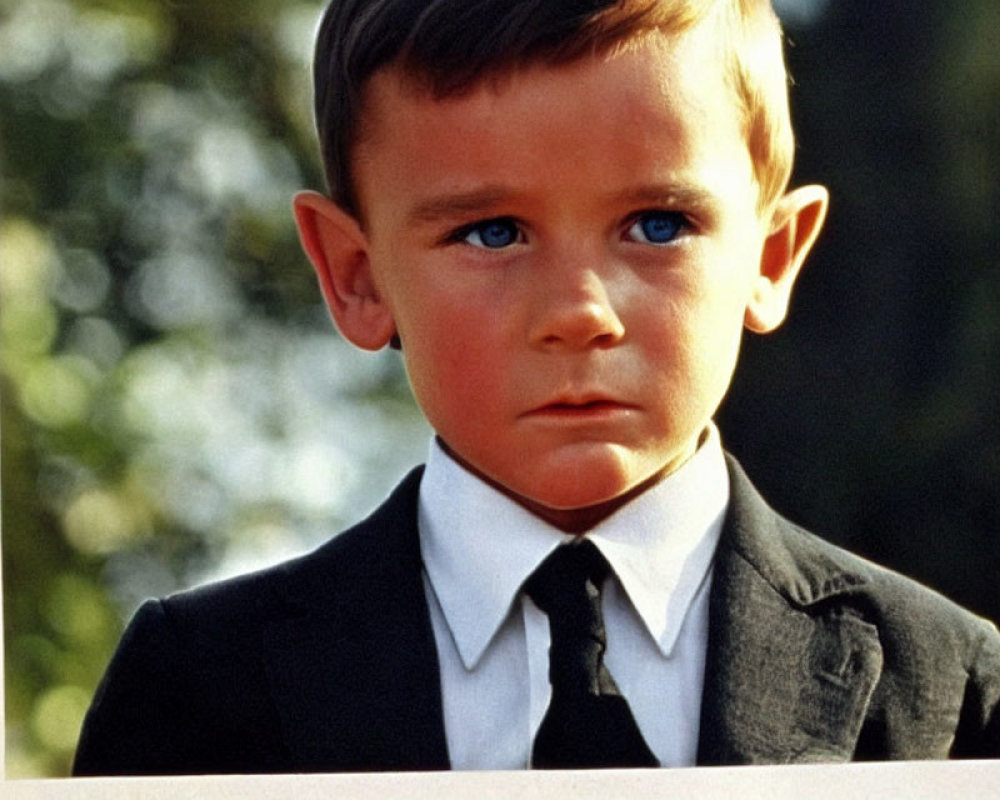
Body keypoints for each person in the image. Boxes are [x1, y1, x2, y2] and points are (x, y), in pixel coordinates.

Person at [73, 0, 1000, 775]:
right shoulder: (196, 687)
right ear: (356, 276)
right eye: (492, 233)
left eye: (657, 224)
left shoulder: (949, 689)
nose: (579, 311)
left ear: (770, 256)